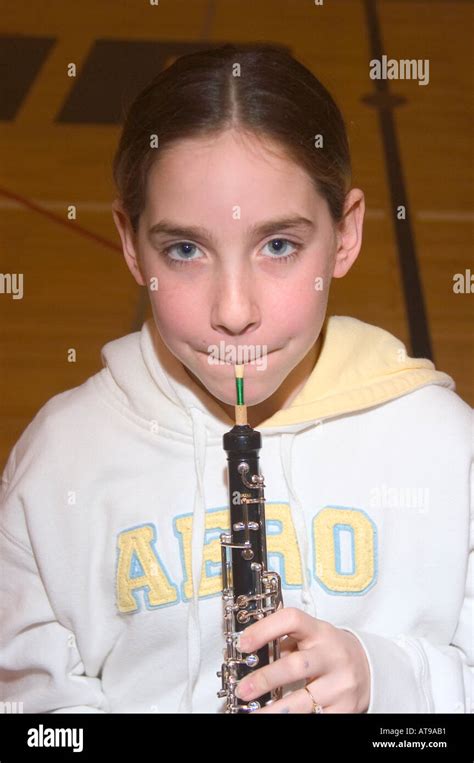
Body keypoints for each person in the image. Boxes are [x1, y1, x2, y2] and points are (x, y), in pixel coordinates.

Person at [0, 43, 472, 715]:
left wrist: (386, 683)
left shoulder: (447, 447)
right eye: (184, 250)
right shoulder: (57, 462)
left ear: (345, 235)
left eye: (279, 245)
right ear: (132, 244)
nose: (233, 311)